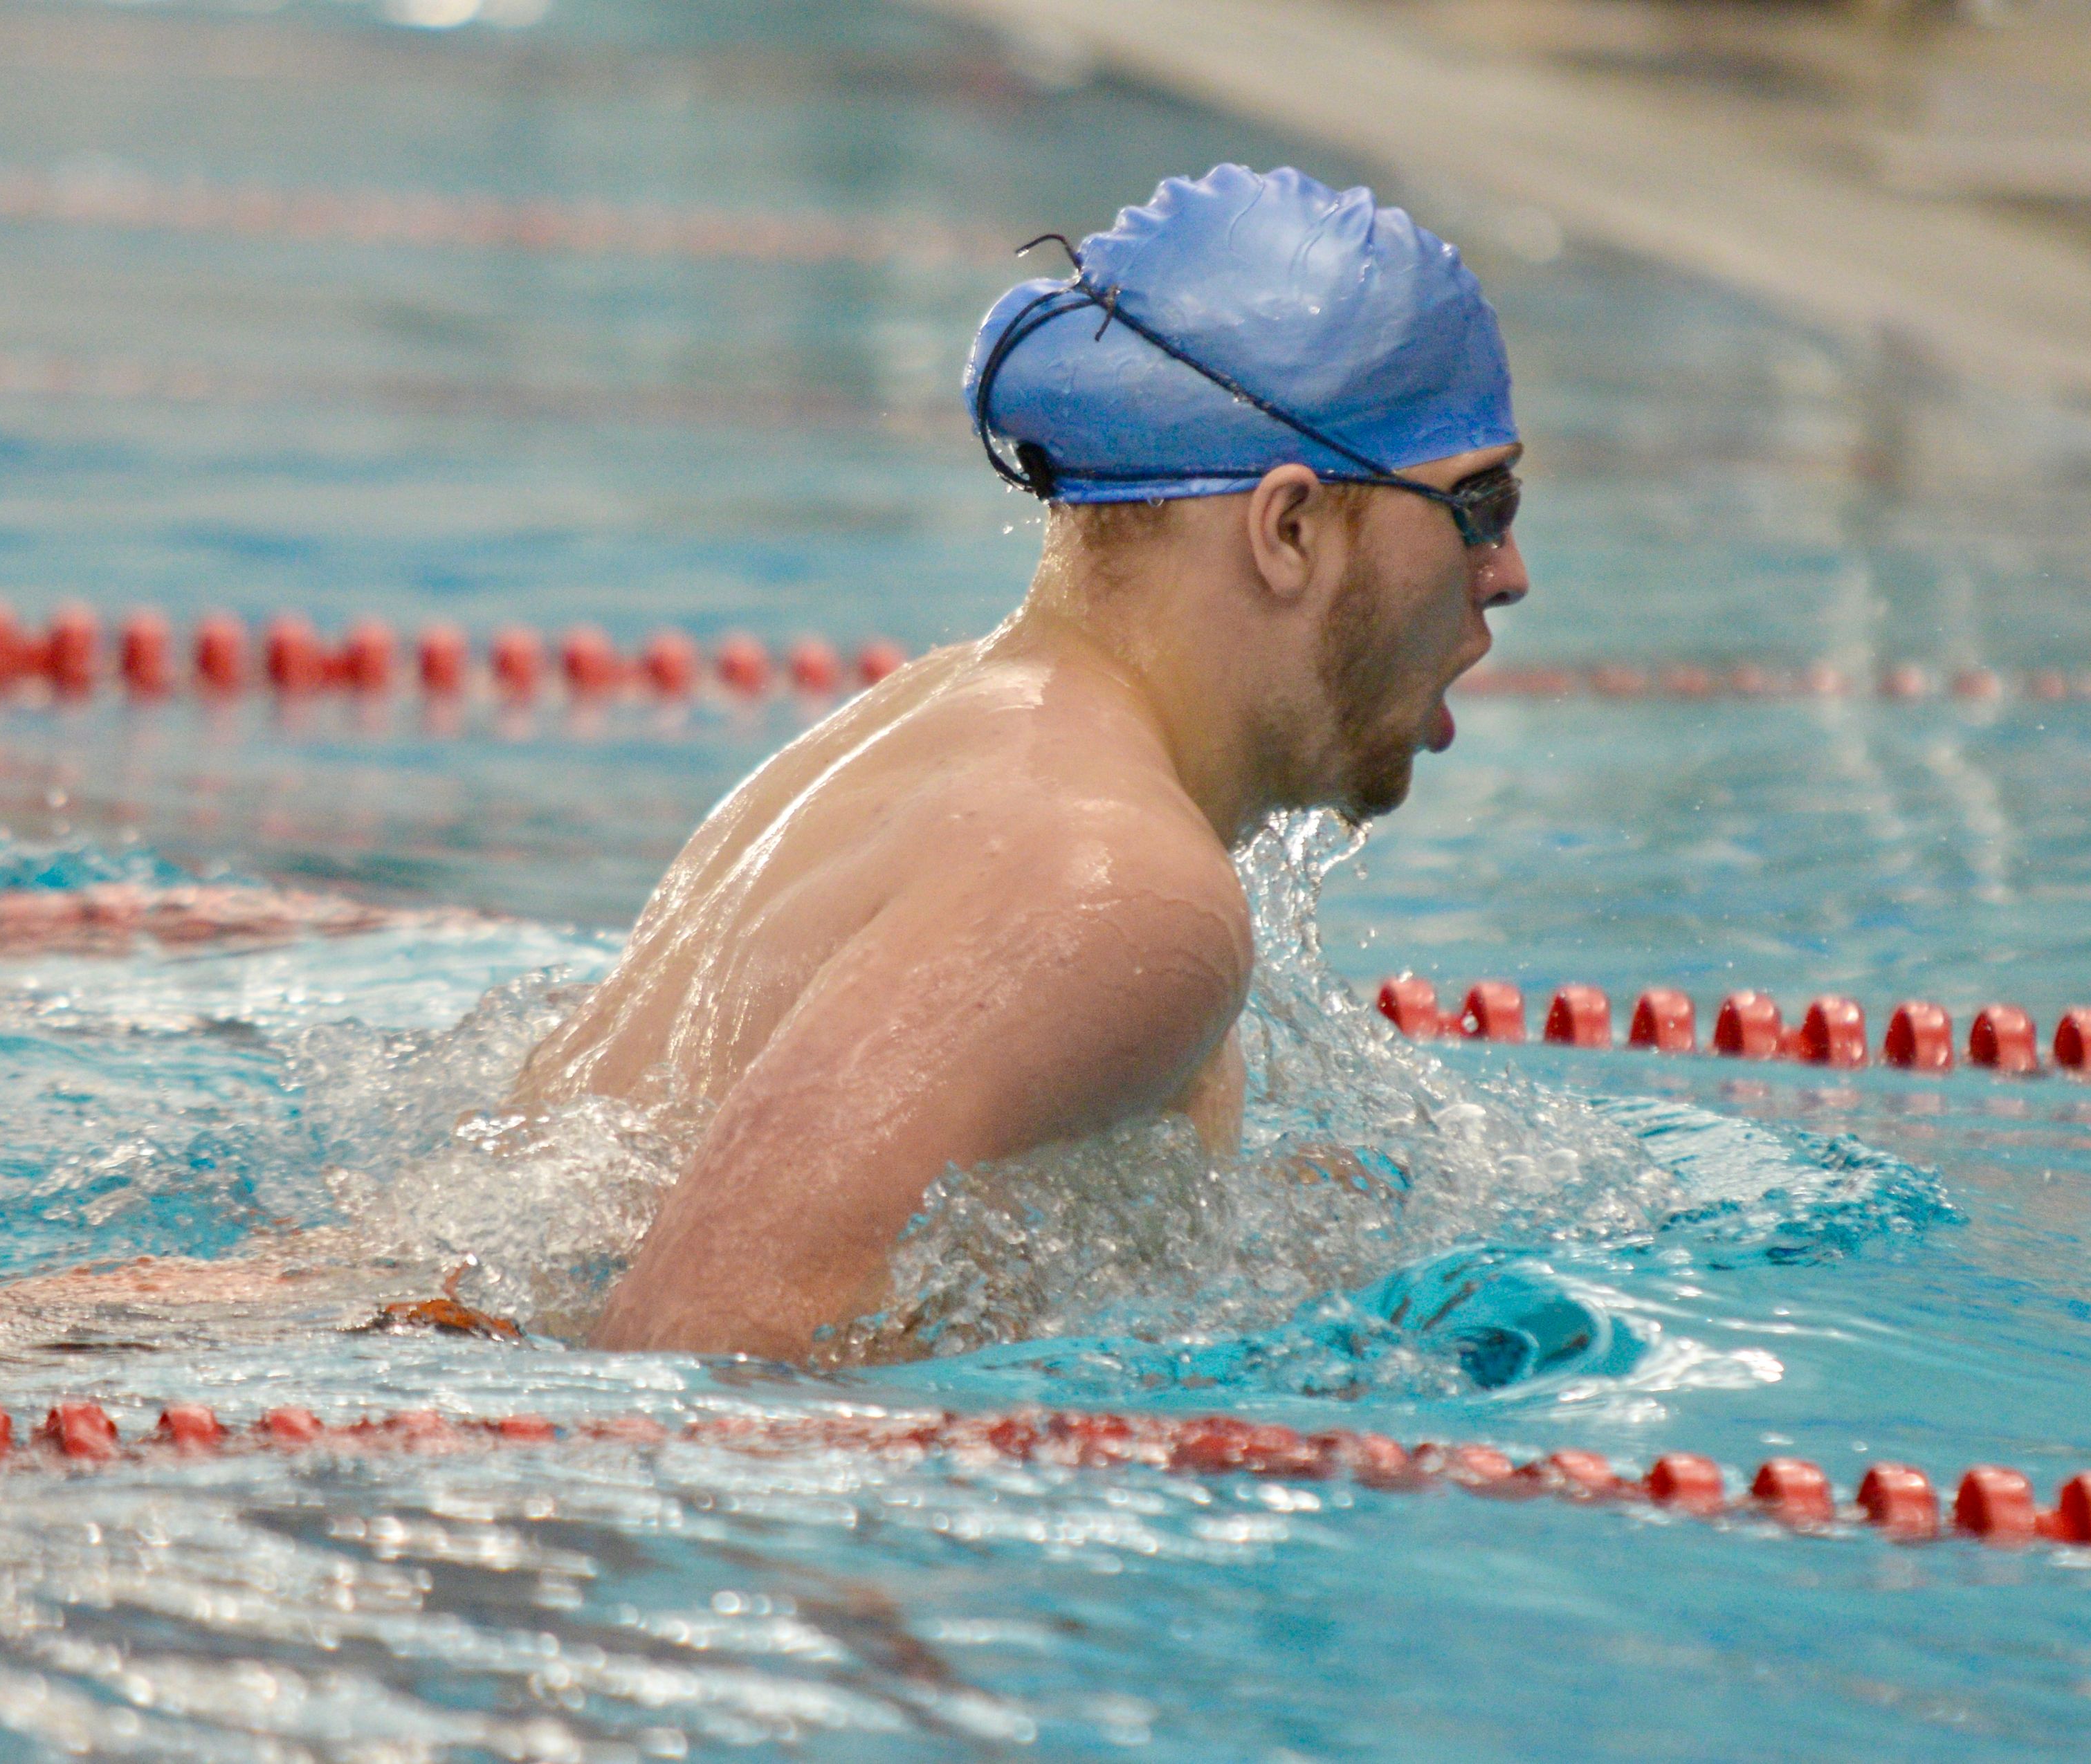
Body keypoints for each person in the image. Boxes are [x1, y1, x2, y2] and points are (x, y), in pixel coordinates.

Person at [510, 164, 1530, 1362]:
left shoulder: (938, 730)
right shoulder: (1112, 884)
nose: (1508, 571)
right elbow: (689, 1371)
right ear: (1289, 528)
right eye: (1479, 503)